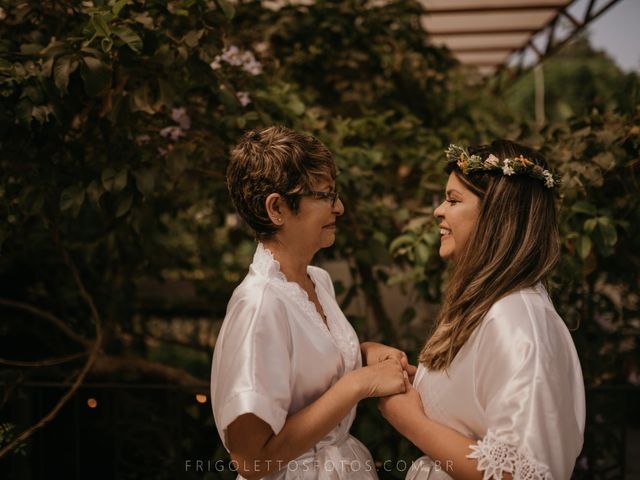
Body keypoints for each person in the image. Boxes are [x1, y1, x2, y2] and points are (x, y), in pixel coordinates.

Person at [211, 125, 416, 479]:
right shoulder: (259, 304)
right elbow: (250, 460)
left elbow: (307, 371)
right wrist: (358, 384)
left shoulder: (317, 281)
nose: (339, 206)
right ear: (277, 209)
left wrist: (365, 352)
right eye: (324, 195)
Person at [379, 141, 586, 480]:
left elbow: (522, 473)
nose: (438, 212)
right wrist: (410, 380)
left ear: (496, 215)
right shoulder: (493, 308)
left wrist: (410, 421)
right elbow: (478, 409)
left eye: (453, 200)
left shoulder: (516, 323)